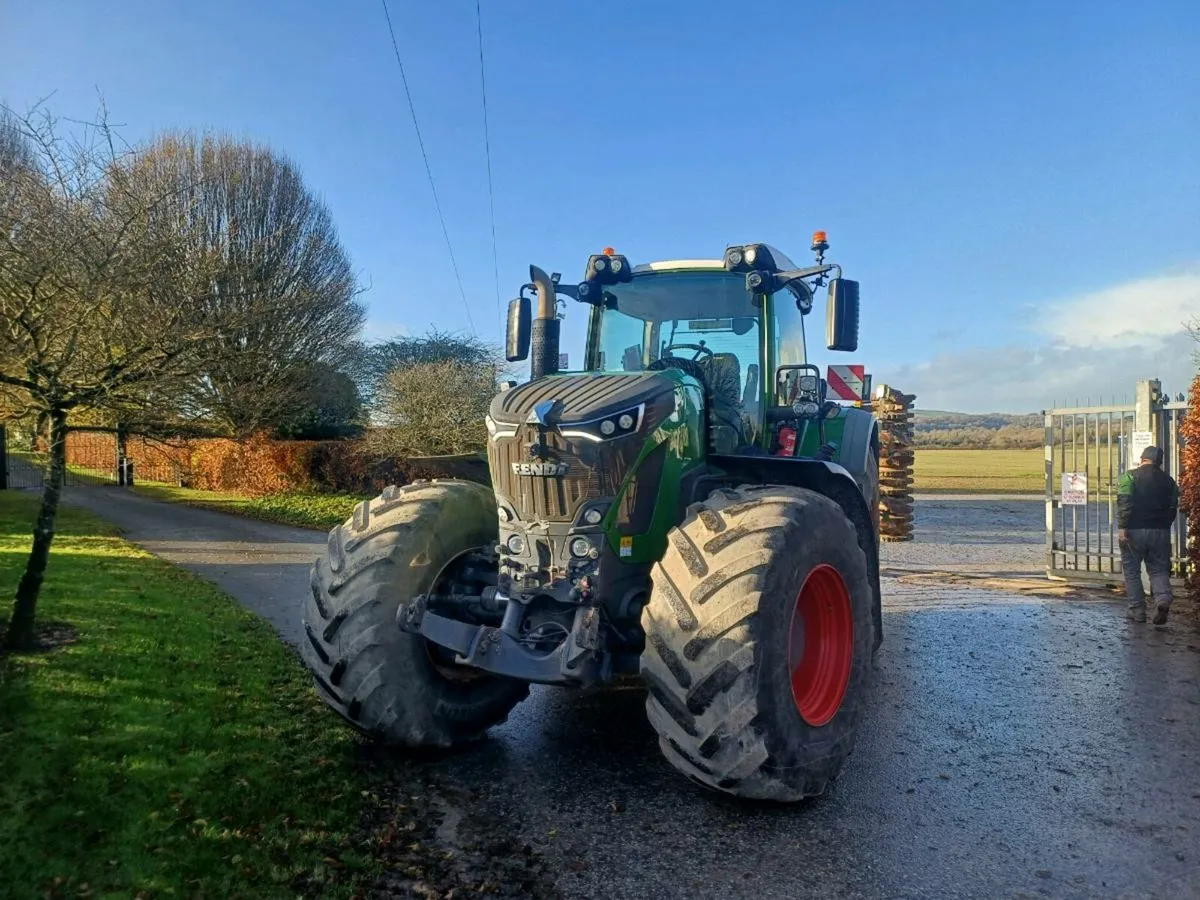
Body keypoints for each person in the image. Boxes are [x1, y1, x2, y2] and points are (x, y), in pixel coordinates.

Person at [1117, 446, 1179, 624]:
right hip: (1160, 531)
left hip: (1134, 530)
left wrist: (1122, 528)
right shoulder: (1170, 481)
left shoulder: (1130, 476)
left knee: (1131, 571)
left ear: (1142, 459)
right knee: (1159, 569)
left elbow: (1124, 502)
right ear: (1160, 462)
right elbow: (1172, 508)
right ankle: (1163, 599)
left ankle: (1137, 611)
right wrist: (1163, 526)